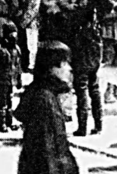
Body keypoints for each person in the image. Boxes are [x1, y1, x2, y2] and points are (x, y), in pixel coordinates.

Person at [40, 0, 113, 137]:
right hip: (94, 44)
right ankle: (98, 124)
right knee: (93, 86)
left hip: (80, 47)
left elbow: (64, 20)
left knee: (82, 87)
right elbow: (107, 6)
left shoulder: (66, 5)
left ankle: (83, 127)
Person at [14, 41, 79, 174]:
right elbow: (47, 152)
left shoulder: (45, 94)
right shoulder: (44, 100)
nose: (69, 68)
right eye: (64, 63)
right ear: (51, 67)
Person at [0, 22, 23, 132]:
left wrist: (19, 79)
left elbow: (18, 65)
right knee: (1, 102)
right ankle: (0, 123)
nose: (13, 37)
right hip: (1, 80)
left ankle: (9, 122)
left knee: (9, 101)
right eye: (11, 34)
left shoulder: (16, 49)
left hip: (11, 79)